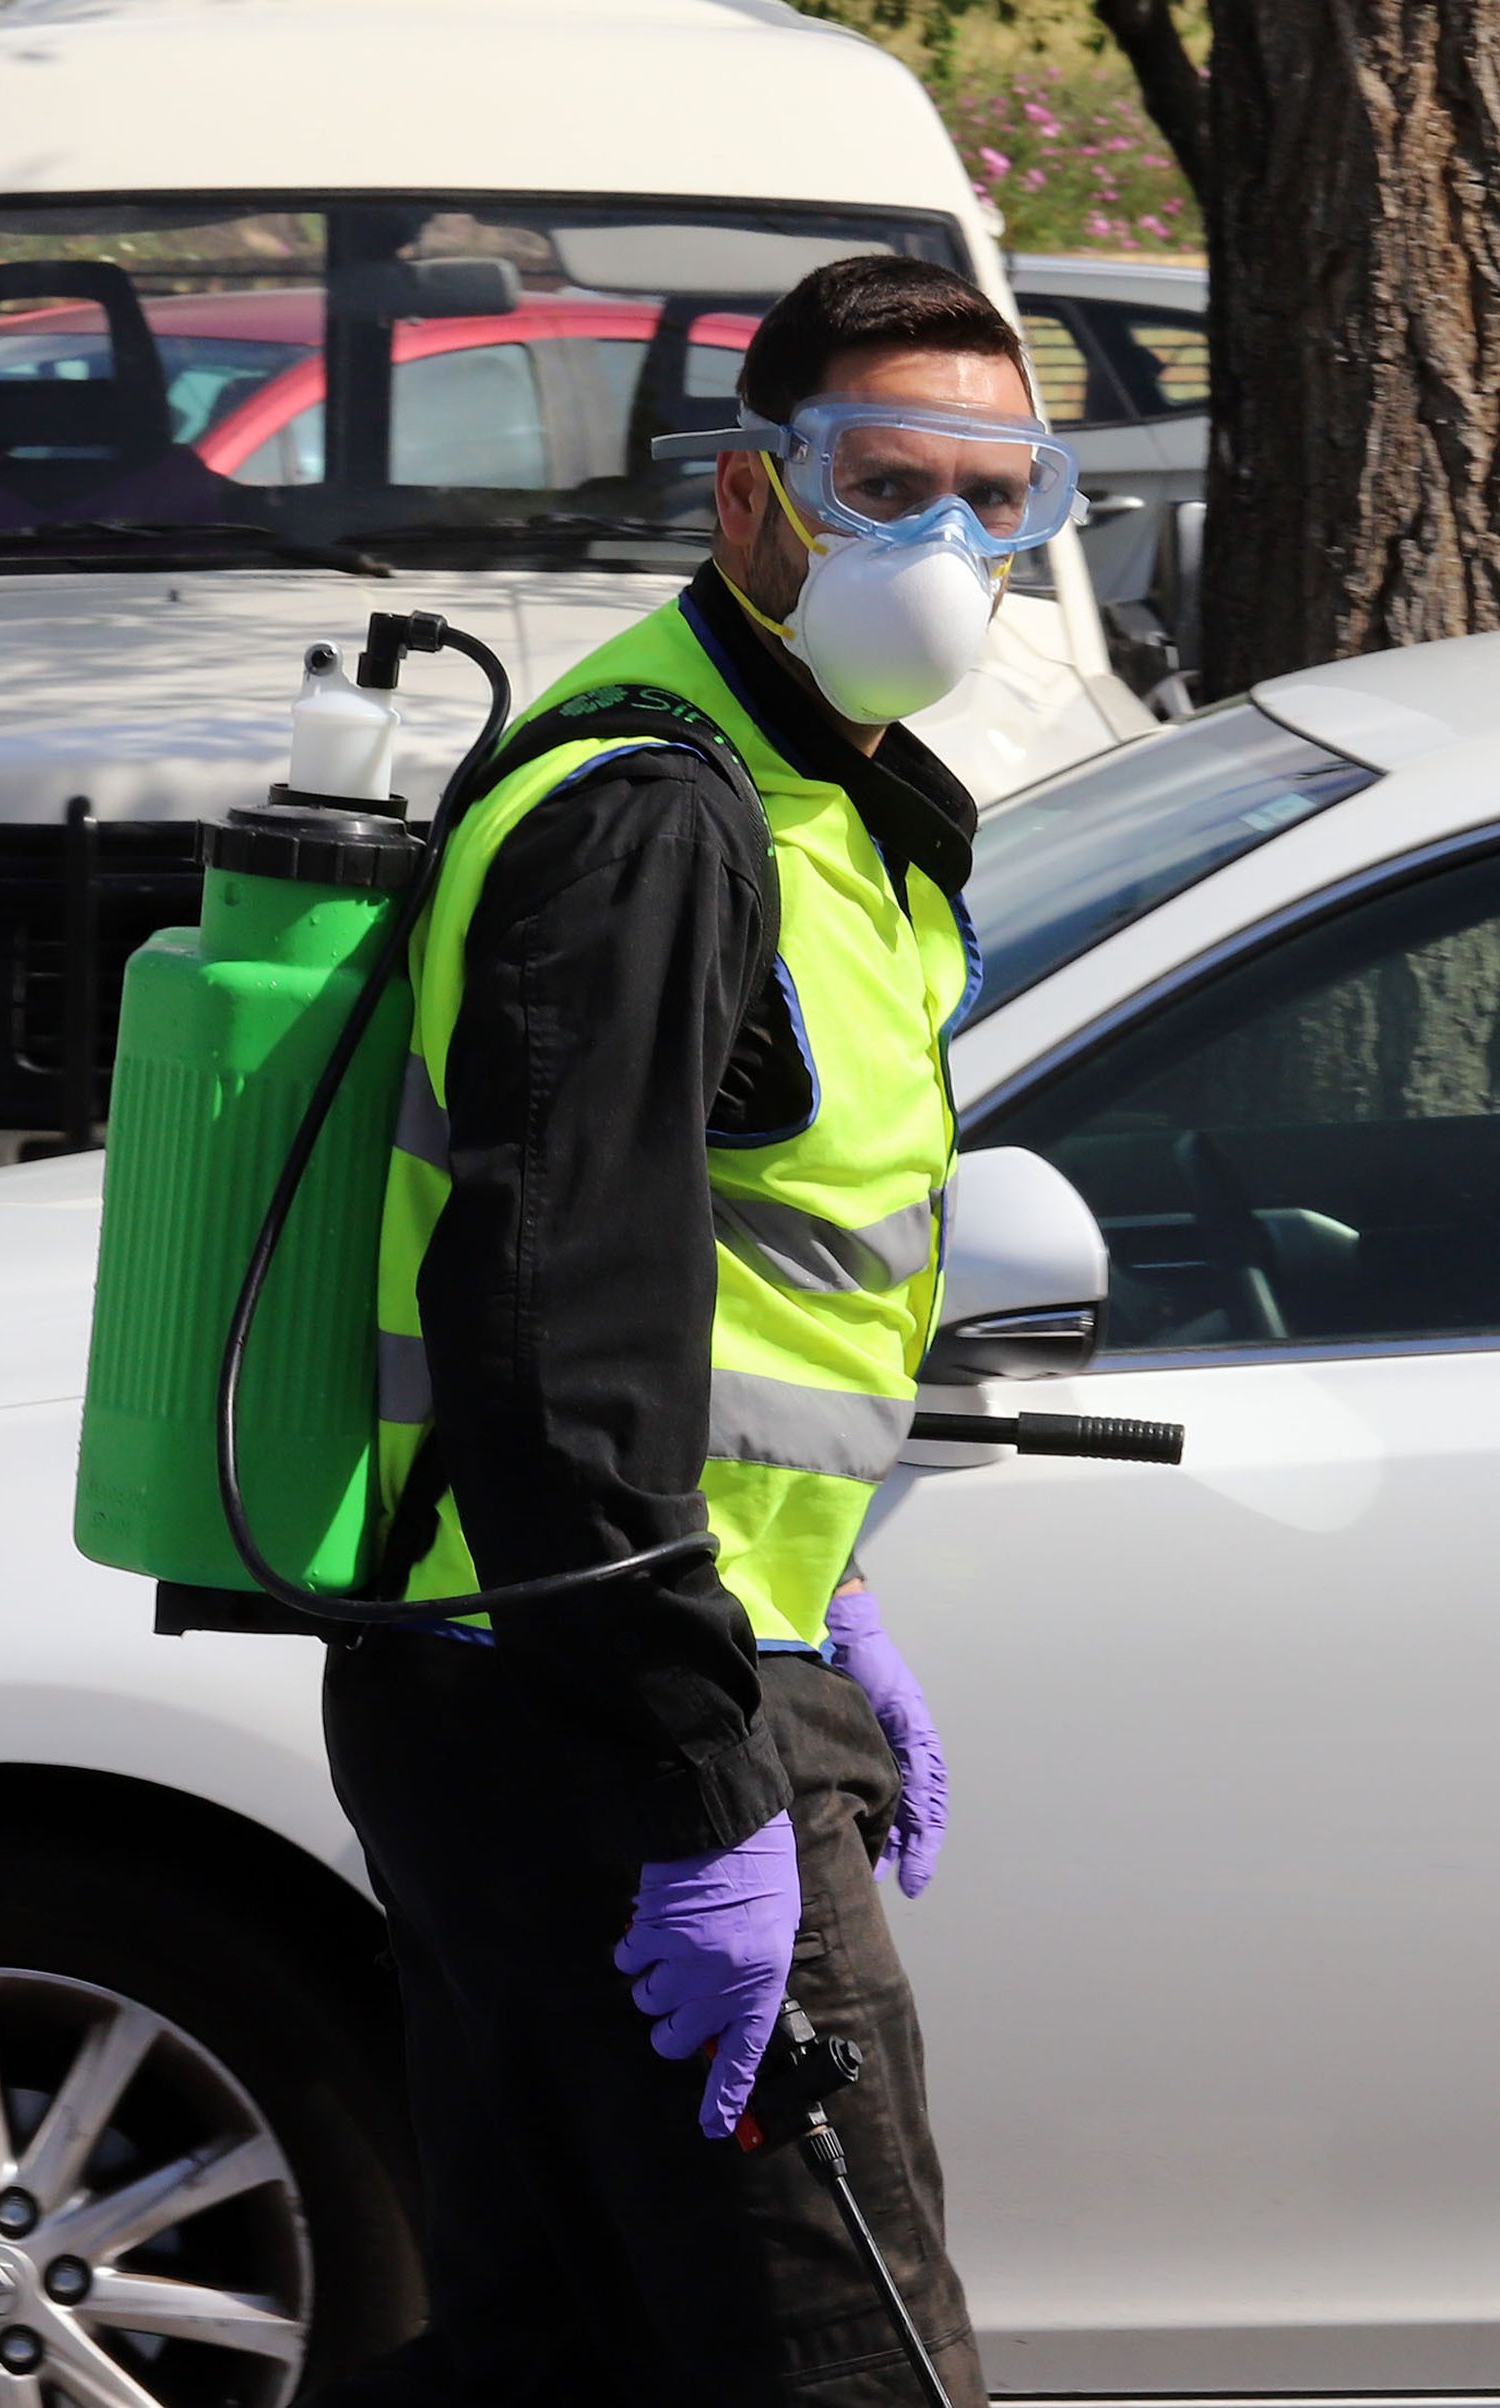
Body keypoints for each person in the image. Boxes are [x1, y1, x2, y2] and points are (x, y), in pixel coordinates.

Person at [318, 254, 1085, 2406]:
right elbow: (553, 1330)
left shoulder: (829, 802)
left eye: (987, 493)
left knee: (561, 2356)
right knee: (841, 2362)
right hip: (614, 1718)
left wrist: (829, 1597)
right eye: (876, 483)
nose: (937, 544)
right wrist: (697, 1773)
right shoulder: (664, 817)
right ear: (745, 495)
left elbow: (751, 1281)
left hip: (586, 1680)